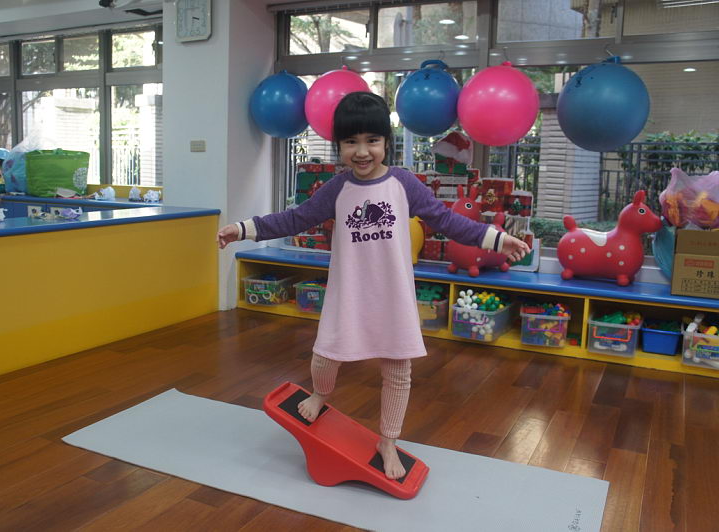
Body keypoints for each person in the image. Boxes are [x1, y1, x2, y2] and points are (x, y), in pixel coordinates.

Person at [217, 92, 529, 480]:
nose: (362, 151)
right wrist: (242, 229)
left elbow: (447, 221)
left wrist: (497, 239)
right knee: (326, 353)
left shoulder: (403, 184)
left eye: (372, 140)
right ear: (339, 146)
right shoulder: (337, 189)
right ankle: (320, 394)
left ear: (386, 142)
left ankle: (388, 441)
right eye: (351, 142)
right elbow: (295, 219)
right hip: (348, 294)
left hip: (393, 297)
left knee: (398, 371)